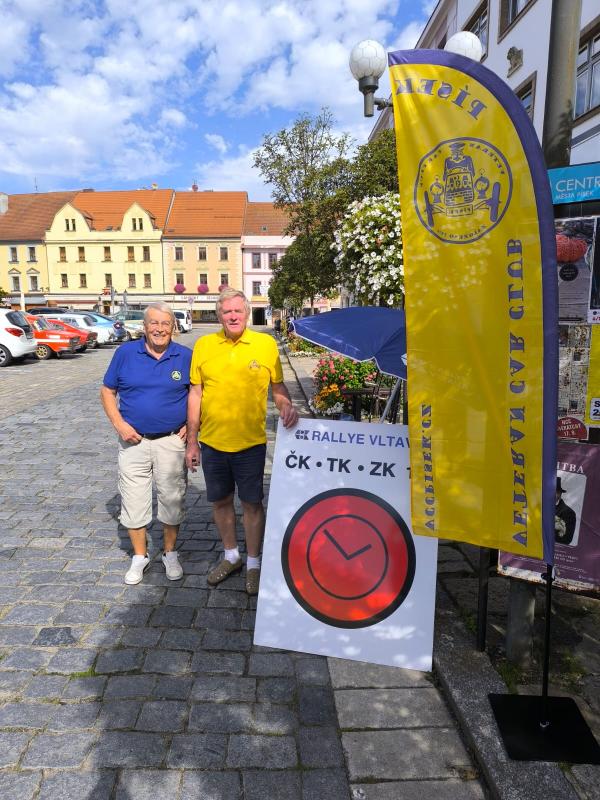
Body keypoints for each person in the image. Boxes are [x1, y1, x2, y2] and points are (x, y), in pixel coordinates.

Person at [186, 288, 299, 595]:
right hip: (212, 442)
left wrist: (286, 405)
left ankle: (253, 563)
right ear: (219, 315)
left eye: (238, 311)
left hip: (250, 443)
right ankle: (231, 556)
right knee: (221, 502)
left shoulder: (265, 344)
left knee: (252, 504)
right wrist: (192, 441)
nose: (233, 316)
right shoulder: (204, 345)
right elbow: (195, 393)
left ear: (247, 313)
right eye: (227, 312)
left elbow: (278, 387)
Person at [101, 302, 192, 585]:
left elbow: (199, 394)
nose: (159, 329)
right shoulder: (125, 353)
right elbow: (107, 390)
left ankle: (169, 553)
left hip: (171, 441)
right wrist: (119, 424)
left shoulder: (185, 356)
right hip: (134, 442)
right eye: (154, 323)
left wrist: (192, 425)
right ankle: (139, 556)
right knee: (133, 499)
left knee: (172, 498)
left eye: (165, 323)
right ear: (144, 326)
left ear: (173, 327)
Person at [555, 476, 577, 546]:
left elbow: (566, 539)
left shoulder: (569, 513)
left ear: (559, 494)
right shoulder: (539, 509)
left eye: (555, 492)